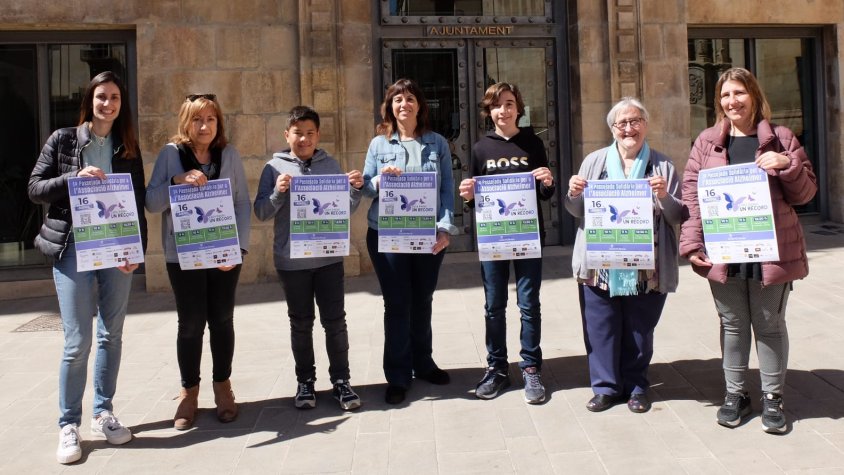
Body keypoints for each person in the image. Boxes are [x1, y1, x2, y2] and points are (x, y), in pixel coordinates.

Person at [680, 67, 816, 433]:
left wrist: (787, 165)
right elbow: (691, 197)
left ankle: (773, 398)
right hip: (724, 250)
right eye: (725, 95)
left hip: (769, 251)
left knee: (769, 325)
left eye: (738, 93)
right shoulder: (707, 141)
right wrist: (692, 243)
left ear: (754, 95)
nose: (732, 101)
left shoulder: (780, 138)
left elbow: (805, 194)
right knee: (733, 324)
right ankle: (735, 395)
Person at [28, 71, 146, 464]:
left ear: (120, 103)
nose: (107, 104)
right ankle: (68, 424)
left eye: (114, 97)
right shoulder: (63, 139)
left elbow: (138, 202)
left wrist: (136, 251)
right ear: (89, 101)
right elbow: (35, 188)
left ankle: (103, 412)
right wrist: (72, 178)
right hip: (74, 248)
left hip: (115, 249)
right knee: (77, 342)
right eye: (101, 97)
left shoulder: (127, 147)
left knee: (112, 334)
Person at [564, 97, 683, 414]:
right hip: (598, 265)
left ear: (645, 124)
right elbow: (576, 211)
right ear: (612, 129)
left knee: (638, 330)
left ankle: (636, 386)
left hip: (649, 267)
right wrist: (573, 194)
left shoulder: (663, 165)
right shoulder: (595, 162)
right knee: (601, 327)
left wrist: (663, 196)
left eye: (635, 121)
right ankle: (605, 387)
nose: (629, 128)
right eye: (622, 123)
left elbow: (677, 215)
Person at [145, 93, 251, 430]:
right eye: (197, 119)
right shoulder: (170, 155)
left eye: (210, 119)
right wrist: (176, 181)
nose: (204, 126)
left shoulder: (229, 155)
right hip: (183, 255)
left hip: (223, 255)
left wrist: (240, 249)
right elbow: (150, 202)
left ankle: (223, 388)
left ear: (218, 123)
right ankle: (189, 392)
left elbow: (241, 204)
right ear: (185, 122)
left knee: (222, 320)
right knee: (190, 323)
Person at [254, 106, 364, 411]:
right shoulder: (273, 167)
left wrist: (354, 191)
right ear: (286, 135)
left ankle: (341, 381)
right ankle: (305, 382)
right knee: (301, 324)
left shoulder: (330, 164)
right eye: (298, 133)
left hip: (328, 259)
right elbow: (261, 211)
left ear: (318, 135)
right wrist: (277, 193)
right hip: (292, 263)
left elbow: (344, 212)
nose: (304, 138)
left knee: (335, 323)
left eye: (310, 133)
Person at [457, 82, 555, 404]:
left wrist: (547, 182)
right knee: (494, 306)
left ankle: (530, 367)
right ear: (489, 111)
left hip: (528, 237)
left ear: (519, 109)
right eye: (498, 105)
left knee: (529, 305)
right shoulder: (480, 148)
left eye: (510, 104)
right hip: (494, 240)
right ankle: (497, 367)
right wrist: (468, 197)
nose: (504, 110)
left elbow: (545, 192)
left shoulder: (532, 143)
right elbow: (474, 199)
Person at [362, 78, 458, 404]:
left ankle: (424, 362)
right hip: (387, 236)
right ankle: (398, 376)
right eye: (398, 99)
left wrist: (445, 229)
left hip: (427, 235)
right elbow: (364, 187)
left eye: (410, 98)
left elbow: (446, 189)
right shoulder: (379, 145)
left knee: (423, 300)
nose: (405, 104)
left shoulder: (438, 144)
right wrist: (378, 179)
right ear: (390, 106)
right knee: (397, 303)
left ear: (420, 104)